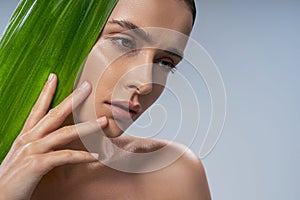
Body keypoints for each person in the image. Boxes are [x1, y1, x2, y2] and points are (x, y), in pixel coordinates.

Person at [0, 0, 211, 199]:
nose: (145, 82)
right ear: (60, 35)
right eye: (124, 42)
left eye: (165, 63)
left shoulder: (174, 176)